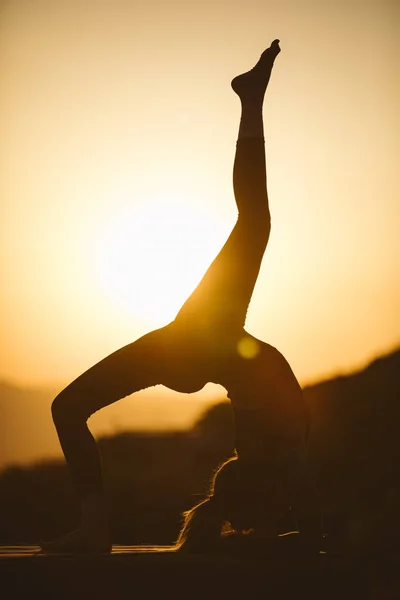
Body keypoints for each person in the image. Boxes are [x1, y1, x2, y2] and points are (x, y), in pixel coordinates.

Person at [41, 39, 323, 554]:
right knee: (66, 408)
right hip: (207, 349)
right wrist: (289, 536)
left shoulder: (282, 453)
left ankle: (95, 525)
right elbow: (298, 515)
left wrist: (292, 534)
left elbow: (297, 511)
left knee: (67, 408)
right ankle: (96, 524)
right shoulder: (280, 455)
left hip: (200, 342)